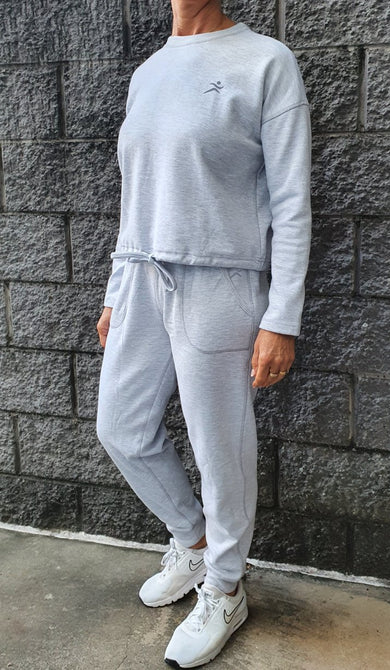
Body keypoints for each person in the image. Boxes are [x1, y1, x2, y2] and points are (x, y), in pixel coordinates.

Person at [96, 0, 312, 666]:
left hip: (220, 281)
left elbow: (292, 199)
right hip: (140, 274)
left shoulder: (265, 62)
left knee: (221, 448)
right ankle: (193, 544)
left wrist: (281, 316)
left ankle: (225, 587)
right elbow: (135, 193)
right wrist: (115, 289)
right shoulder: (149, 73)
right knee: (121, 427)